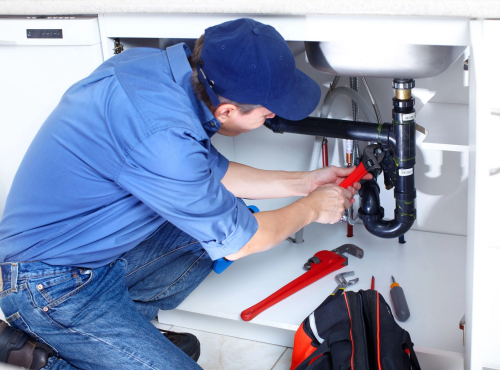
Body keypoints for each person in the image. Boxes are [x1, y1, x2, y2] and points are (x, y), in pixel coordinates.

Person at [0, 18, 368, 369]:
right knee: (230, 234)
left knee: (220, 222)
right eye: (266, 115)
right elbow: (243, 241)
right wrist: (311, 209)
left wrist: (304, 183)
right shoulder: (164, 138)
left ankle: (116, 341)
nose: (270, 120)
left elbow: (209, 172)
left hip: (90, 251)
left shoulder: (157, 70)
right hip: (49, 284)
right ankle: (51, 354)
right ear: (226, 110)